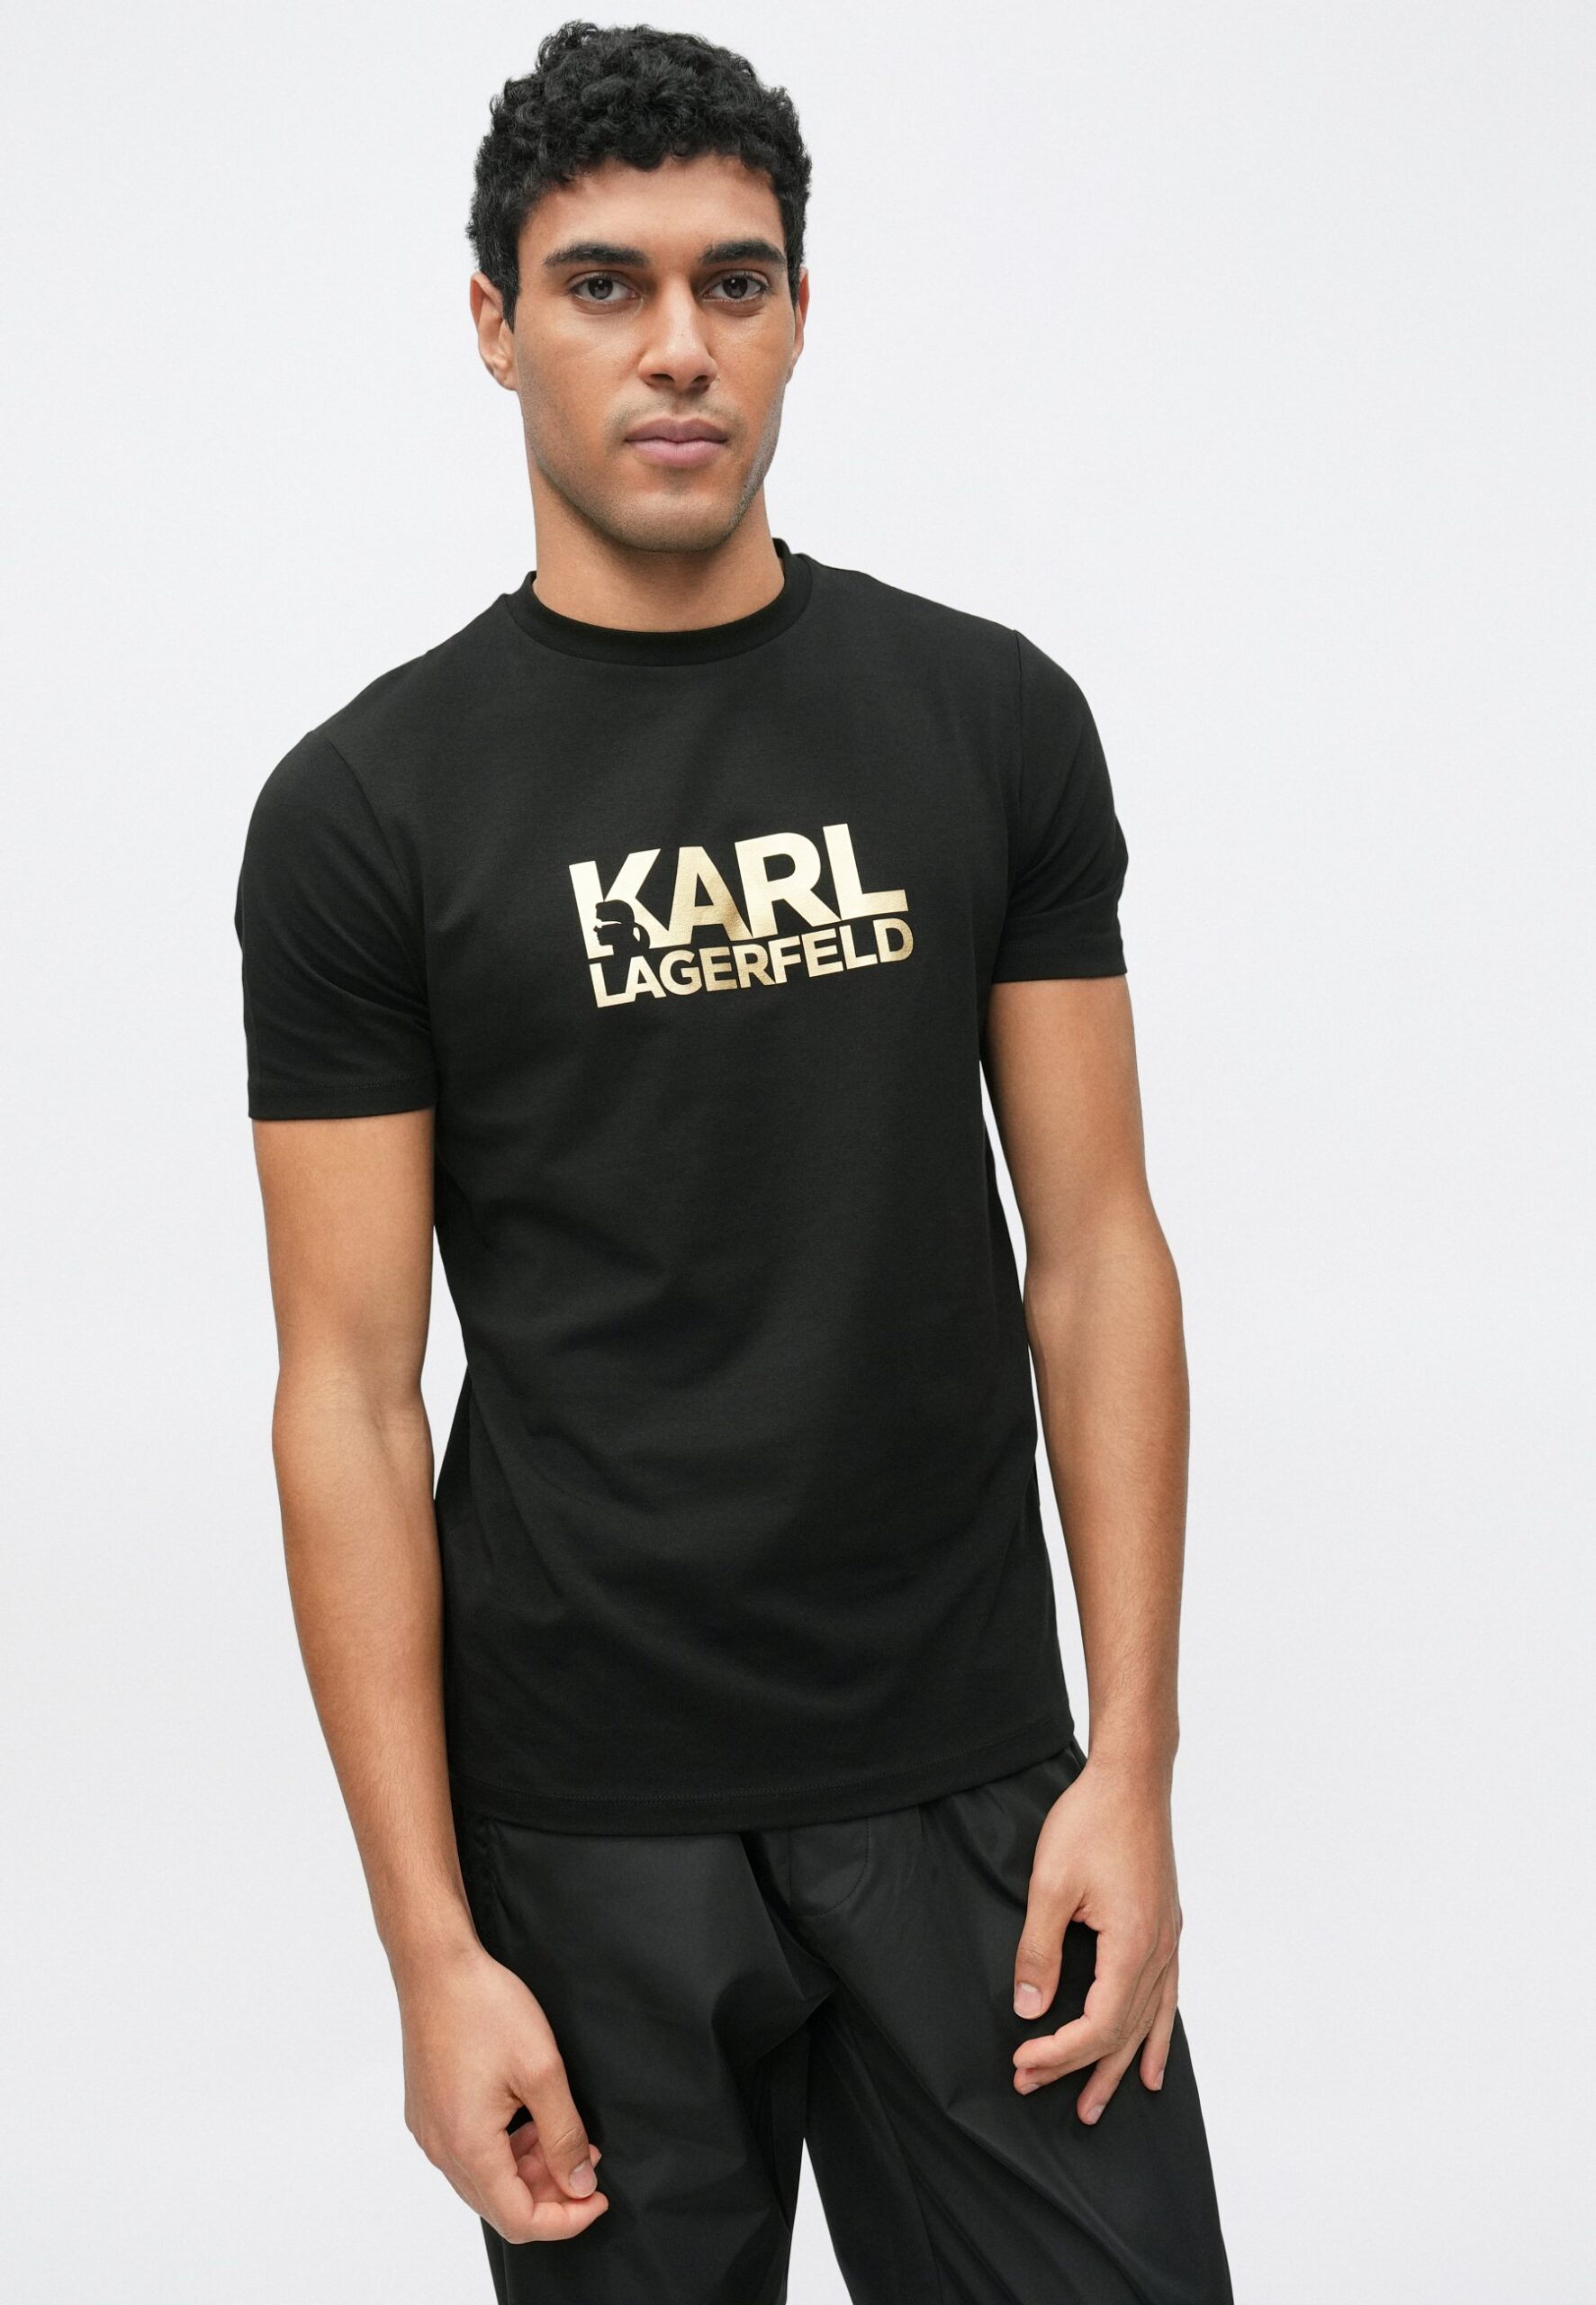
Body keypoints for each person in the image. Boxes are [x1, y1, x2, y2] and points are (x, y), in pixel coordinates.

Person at [233, 21, 1234, 2302]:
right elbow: (348, 1389)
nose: (676, 345)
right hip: (586, 1828)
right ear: (493, 323)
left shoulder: (985, 717)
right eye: (601, 284)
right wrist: (429, 1945)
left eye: (733, 280)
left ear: (795, 311)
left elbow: (1095, 1249)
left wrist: (1131, 1762)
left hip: (972, 1782)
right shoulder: (365, 811)